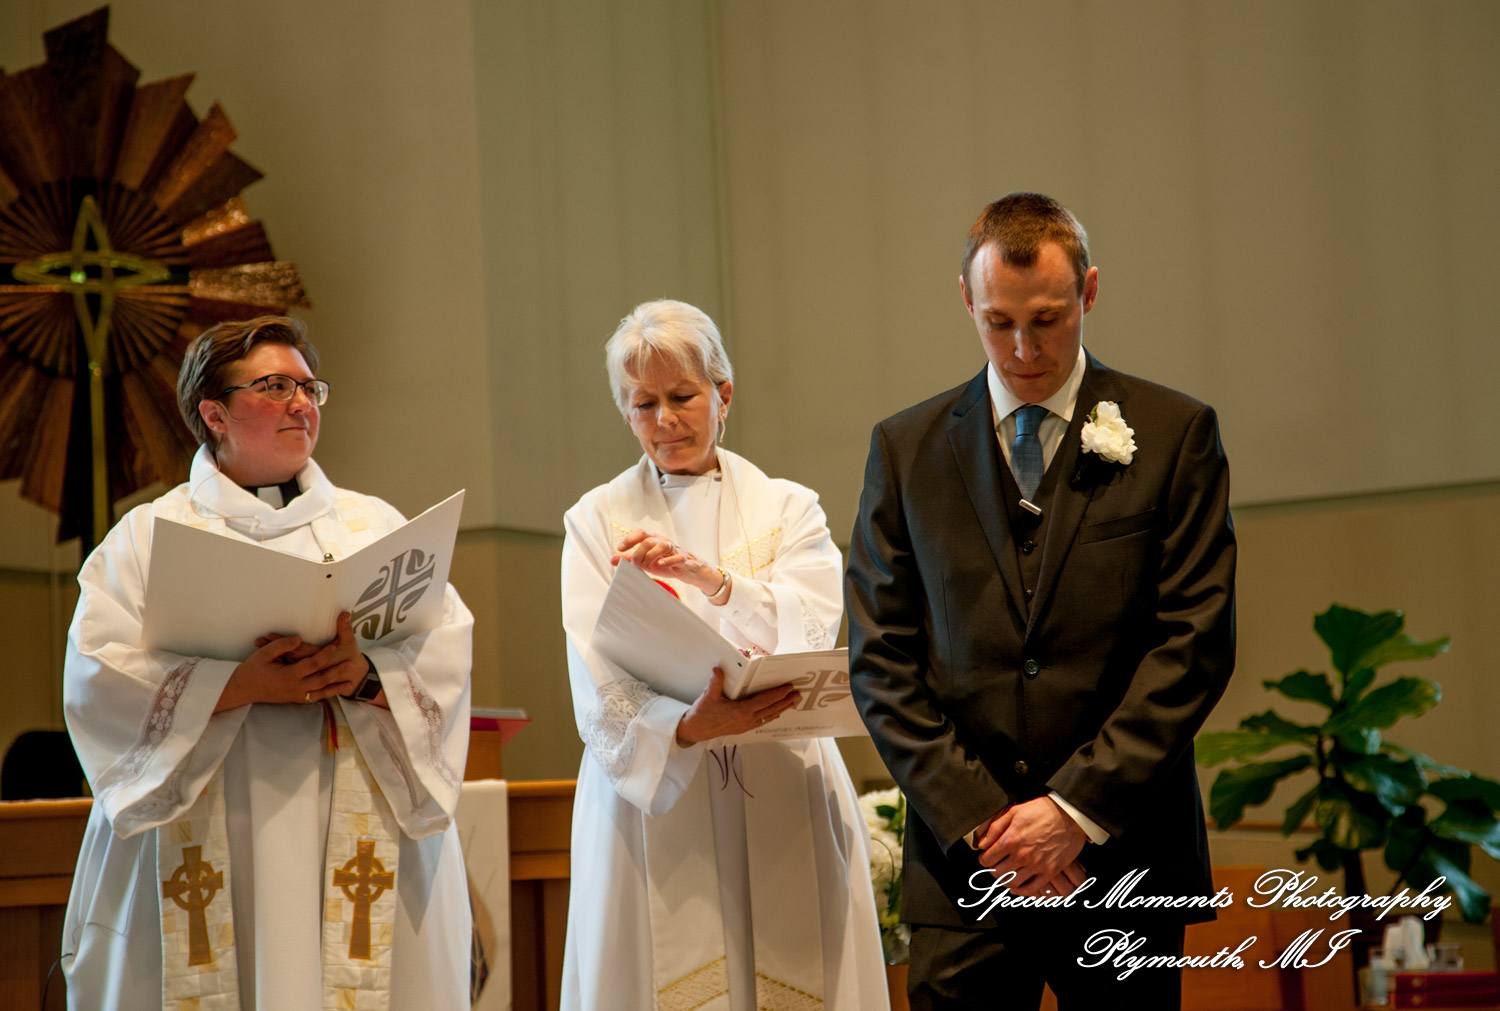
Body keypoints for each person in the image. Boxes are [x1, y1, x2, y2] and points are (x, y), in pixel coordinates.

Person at [846, 193, 1236, 1010]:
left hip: (1125, 854)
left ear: (1089, 292)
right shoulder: (906, 450)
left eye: (1049, 319)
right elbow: (881, 657)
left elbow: (1193, 641)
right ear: (967, 300)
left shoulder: (1175, 434)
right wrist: (987, 821)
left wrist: (1074, 810)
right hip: (967, 872)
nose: (1024, 348)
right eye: (999, 322)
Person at [60, 316, 474, 1010]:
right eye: (275, 386)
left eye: (310, 387)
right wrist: (233, 684)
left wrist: (368, 675)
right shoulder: (148, 536)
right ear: (213, 413)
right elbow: (96, 675)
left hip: (350, 809)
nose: (301, 403)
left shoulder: (374, 526)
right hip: (217, 814)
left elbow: (443, 643)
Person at [560, 300, 889, 1011]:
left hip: (782, 775)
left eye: (682, 396)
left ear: (723, 393)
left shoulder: (789, 507)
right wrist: (682, 727)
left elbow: (811, 628)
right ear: (624, 411)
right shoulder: (594, 520)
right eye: (643, 403)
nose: (665, 419)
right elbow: (596, 673)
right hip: (653, 793)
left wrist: (714, 580)